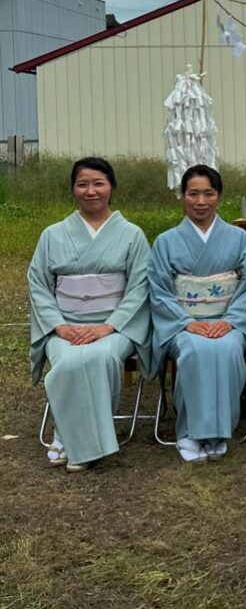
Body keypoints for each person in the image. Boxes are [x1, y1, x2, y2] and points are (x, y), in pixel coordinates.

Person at [27, 157, 151, 472]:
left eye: (98, 183)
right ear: (73, 189)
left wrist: (108, 326)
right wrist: (60, 327)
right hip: (65, 325)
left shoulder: (132, 235)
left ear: (111, 187)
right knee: (68, 360)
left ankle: (68, 440)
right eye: (82, 184)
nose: (90, 191)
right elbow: (39, 285)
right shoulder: (52, 235)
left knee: (102, 357)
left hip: (114, 326)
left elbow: (139, 287)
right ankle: (78, 441)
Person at [148, 165, 246, 463]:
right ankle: (189, 432)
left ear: (219, 197)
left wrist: (230, 321)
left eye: (208, 193)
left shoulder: (237, 238)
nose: (200, 201)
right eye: (193, 193)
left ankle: (219, 432)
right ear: (182, 196)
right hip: (184, 323)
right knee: (195, 351)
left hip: (228, 320)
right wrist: (186, 323)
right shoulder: (165, 241)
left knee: (227, 350)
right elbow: (159, 291)